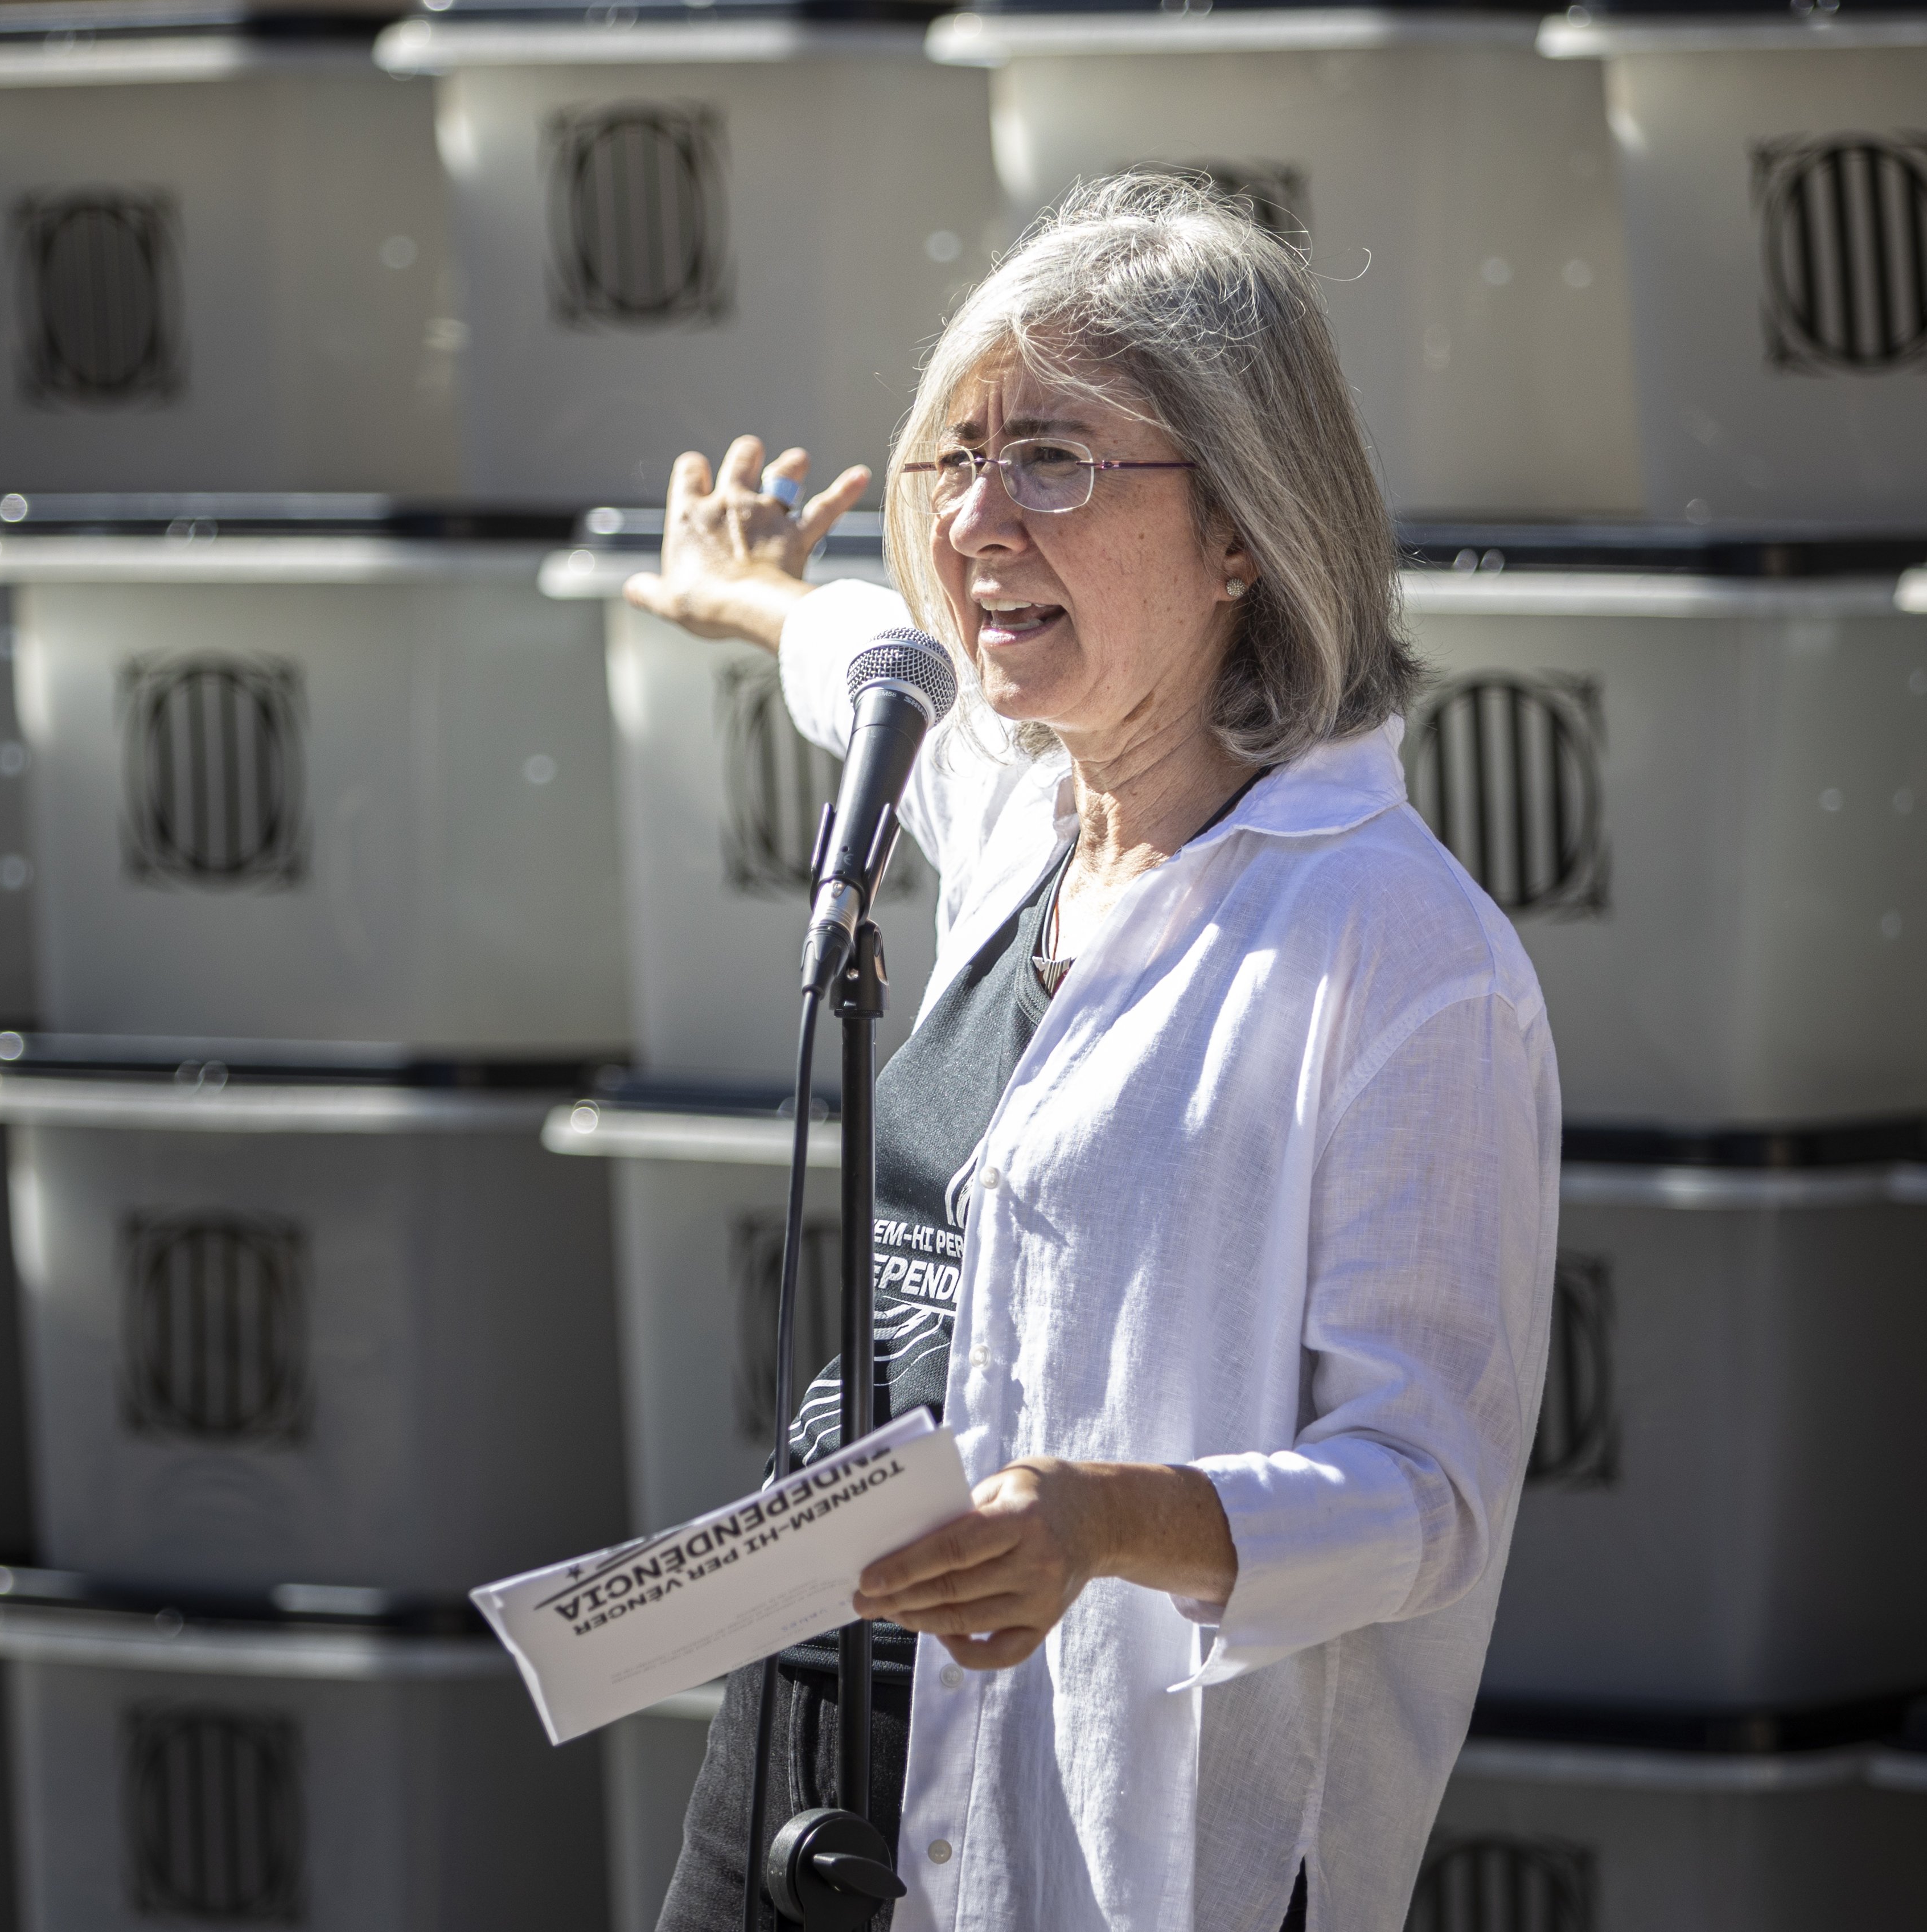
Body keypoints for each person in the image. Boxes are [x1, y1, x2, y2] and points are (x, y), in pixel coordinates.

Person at [627, 173, 1560, 1932]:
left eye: (1052, 457)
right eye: (953, 457)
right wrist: (757, 599)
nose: (979, 516)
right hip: (832, 1735)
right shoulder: (1014, 803)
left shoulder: (1400, 954)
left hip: (1116, 1828)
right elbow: (871, 659)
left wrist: (1103, 1520)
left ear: (1241, 529)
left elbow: (1422, 1497)